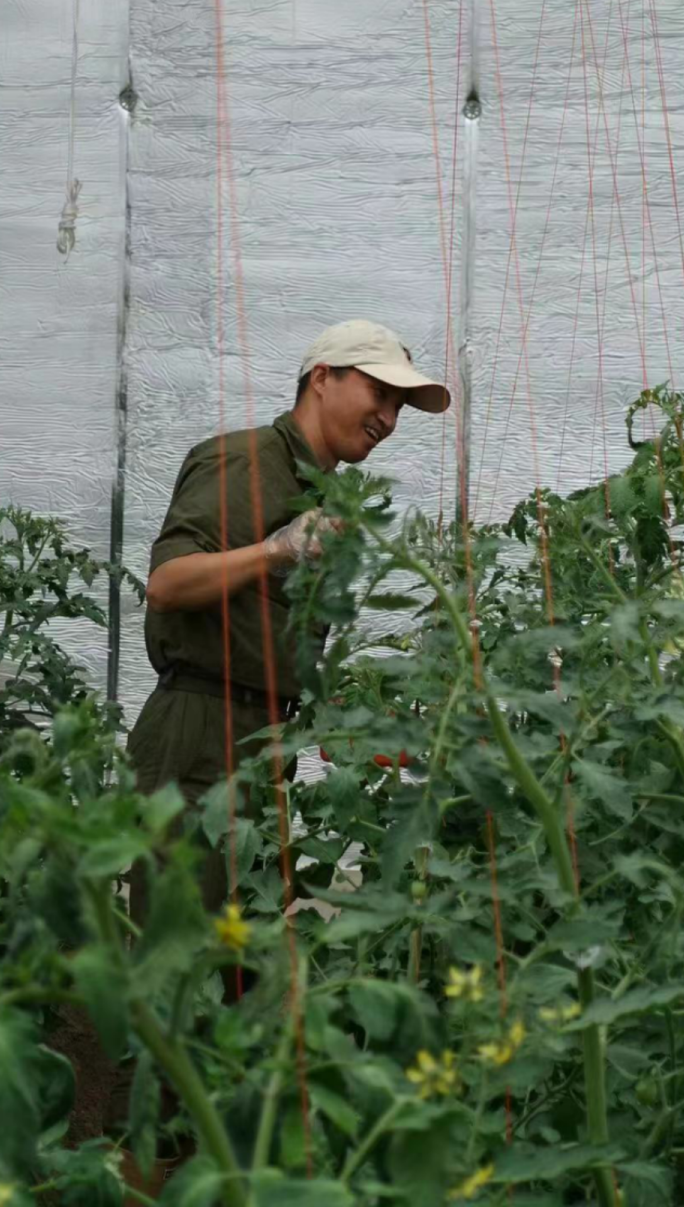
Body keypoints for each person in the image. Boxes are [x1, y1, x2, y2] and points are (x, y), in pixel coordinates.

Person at [127, 319, 450, 919]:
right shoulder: (245, 462)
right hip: (202, 729)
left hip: (260, 735)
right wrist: (275, 550)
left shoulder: (322, 492)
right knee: (178, 954)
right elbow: (167, 584)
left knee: (237, 960)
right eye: (380, 394)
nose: (389, 419)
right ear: (322, 378)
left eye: (399, 406)